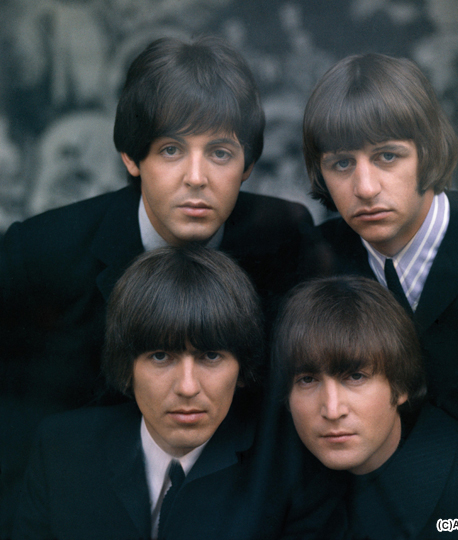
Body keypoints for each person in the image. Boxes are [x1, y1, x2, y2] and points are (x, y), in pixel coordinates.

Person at [0, 36, 313, 533]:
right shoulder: (41, 254)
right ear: (131, 157)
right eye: (171, 149)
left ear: (248, 166)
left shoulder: (284, 239)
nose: (196, 177)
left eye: (220, 153)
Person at [300, 53, 458, 470]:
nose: (365, 187)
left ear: (428, 152)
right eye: (342, 163)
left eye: (387, 156)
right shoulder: (311, 261)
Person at [12, 246, 343, 540]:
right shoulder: (60, 450)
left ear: (242, 368)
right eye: (161, 356)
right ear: (127, 367)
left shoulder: (290, 469)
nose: (187, 387)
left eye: (210, 356)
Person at [272, 275, 458, 539]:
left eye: (356, 376)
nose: (332, 410)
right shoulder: (277, 491)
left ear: (401, 385)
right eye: (307, 380)